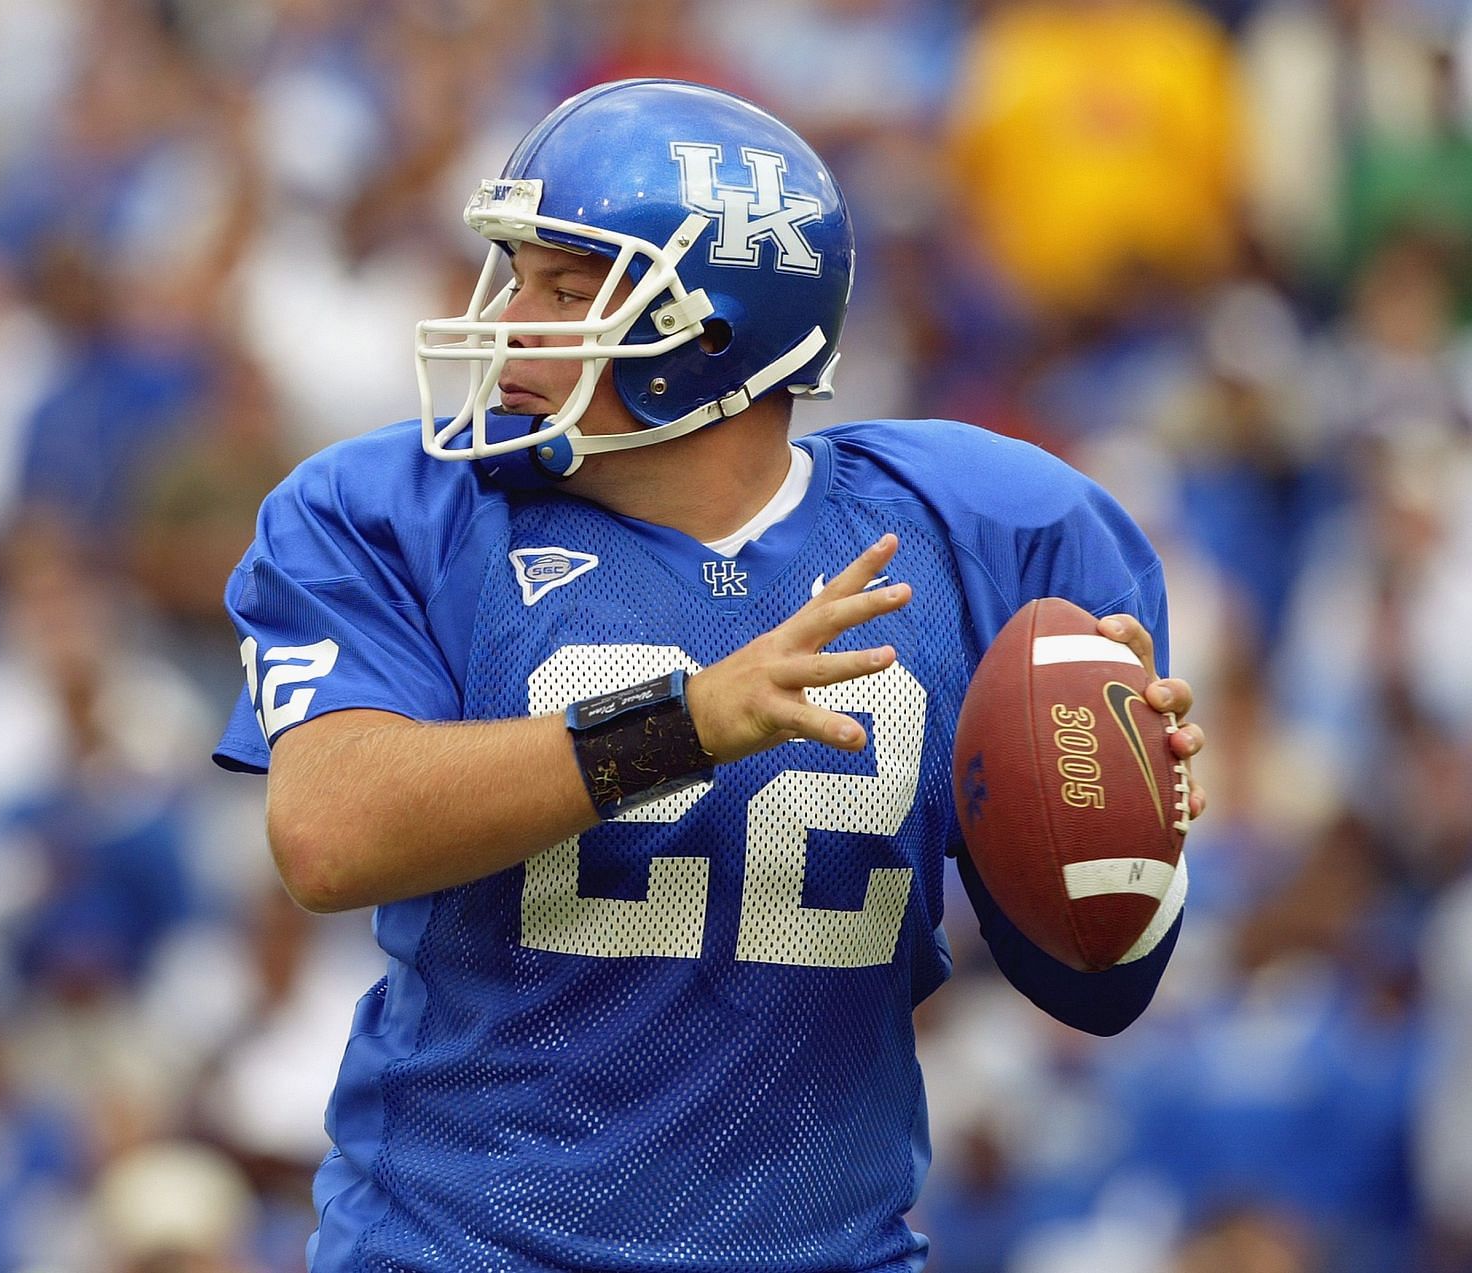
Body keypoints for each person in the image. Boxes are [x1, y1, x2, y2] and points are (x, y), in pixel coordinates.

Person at [214, 78, 1208, 1273]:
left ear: (715, 331)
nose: (513, 320)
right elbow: (330, 832)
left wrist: (1120, 833)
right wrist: (682, 725)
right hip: (461, 1250)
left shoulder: (983, 531)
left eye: (568, 291)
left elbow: (1096, 992)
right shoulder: (396, 512)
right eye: (516, 275)